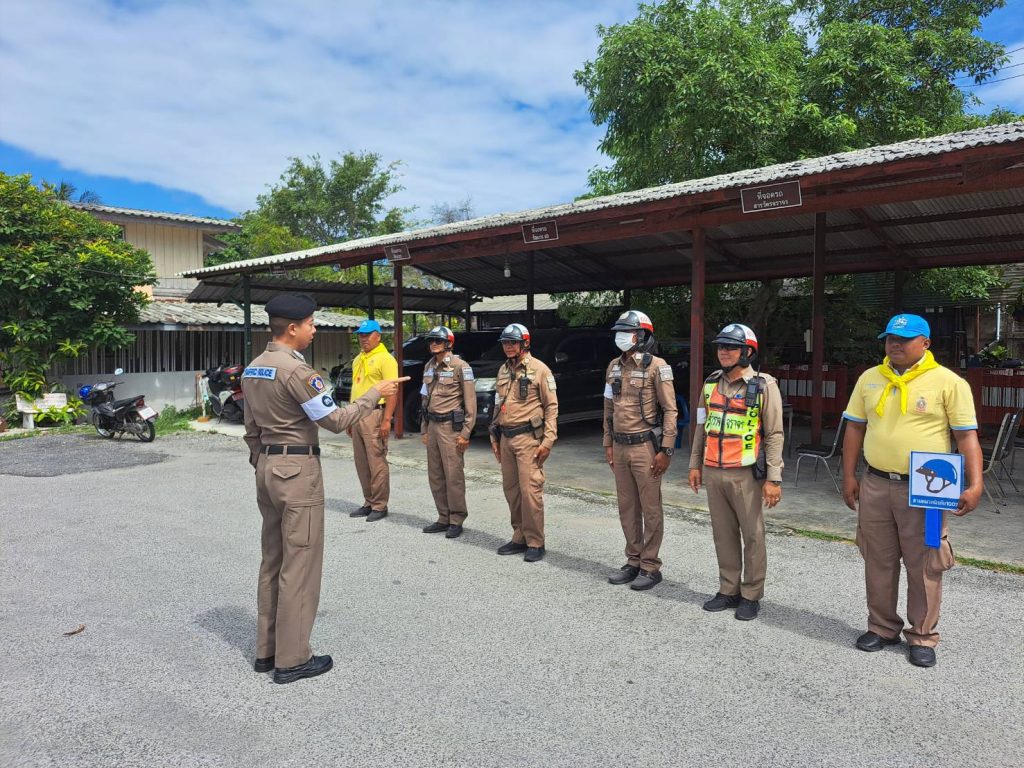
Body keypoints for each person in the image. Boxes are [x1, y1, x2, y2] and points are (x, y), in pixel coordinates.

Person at [242, 293, 406, 684]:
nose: (314, 330)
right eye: (311, 324)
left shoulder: (253, 368)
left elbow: (251, 429)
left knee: (273, 560)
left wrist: (264, 462)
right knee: (300, 564)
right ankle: (293, 659)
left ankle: (267, 651)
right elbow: (333, 420)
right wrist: (375, 394)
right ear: (293, 328)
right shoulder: (297, 372)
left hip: (267, 467)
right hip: (297, 472)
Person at [841, 313, 982, 668]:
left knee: (924, 563)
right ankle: (881, 627)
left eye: (904, 339)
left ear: (926, 343)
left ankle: (922, 635)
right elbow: (855, 429)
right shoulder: (870, 378)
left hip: (927, 488)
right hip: (876, 482)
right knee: (878, 559)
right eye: (891, 338)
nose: (895, 344)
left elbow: (966, 437)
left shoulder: (948, 382)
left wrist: (975, 483)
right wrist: (849, 475)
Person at [688, 323, 784, 621]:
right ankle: (728, 589)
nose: (724, 352)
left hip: (746, 473)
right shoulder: (710, 383)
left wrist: (774, 477)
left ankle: (751, 594)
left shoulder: (763, 385)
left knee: (753, 536)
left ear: (748, 352)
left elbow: (774, 434)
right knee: (723, 534)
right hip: (714, 471)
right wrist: (694, 464)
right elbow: (702, 426)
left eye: (731, 347)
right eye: (721, 346)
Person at [603, 310, 678, 590]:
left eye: (627, 332)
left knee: (650, 508)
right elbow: (608, 408)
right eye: (619, 332)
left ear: (643, 336)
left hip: (645, 446)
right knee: (627, 507)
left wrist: (666, 449)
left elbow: (670, 410)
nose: (621, 337)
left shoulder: (657, 366)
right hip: (620, 446)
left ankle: (650, 565)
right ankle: (633, 561)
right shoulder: (613, 366)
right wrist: (607, 443)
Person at [489, 323, 558, 562]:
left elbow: (551, 407)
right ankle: (519, 536)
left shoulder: (540, 370)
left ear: (525, 344)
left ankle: (536, 541)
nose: (508, 347)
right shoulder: (503, 370)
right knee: (512, 490)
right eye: (505, 343)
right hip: (506, 437)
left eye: (513, 342)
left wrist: (548, 440)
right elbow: (498, 403)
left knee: (530, 492)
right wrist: (493, 434)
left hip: (529, 439)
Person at [419, 325, 477, 539]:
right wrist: (424, 428)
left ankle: (456, 519)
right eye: (431, 340)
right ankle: (443, 517)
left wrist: (466, 433)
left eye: (438, 340)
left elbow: (471, 403)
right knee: (435, 474)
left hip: (450, 429)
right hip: (433, 426)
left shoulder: (461, 367)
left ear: (449, 343)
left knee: (453, 475)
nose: (433, 344)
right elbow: (424, 399)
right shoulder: (429, 366)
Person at [347, 319, 398, 522]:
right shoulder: (358, 359)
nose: (363, 338)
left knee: (376, 460)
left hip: (374, 413)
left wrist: (387, 420)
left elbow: (393, 391)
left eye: (367, 334)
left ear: (378, 335)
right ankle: (368, 501)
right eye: (361, 335)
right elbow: (355, 389)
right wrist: (349, 418)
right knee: (361, 461)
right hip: (357, 413)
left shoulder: (386, 359)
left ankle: (380, 504)